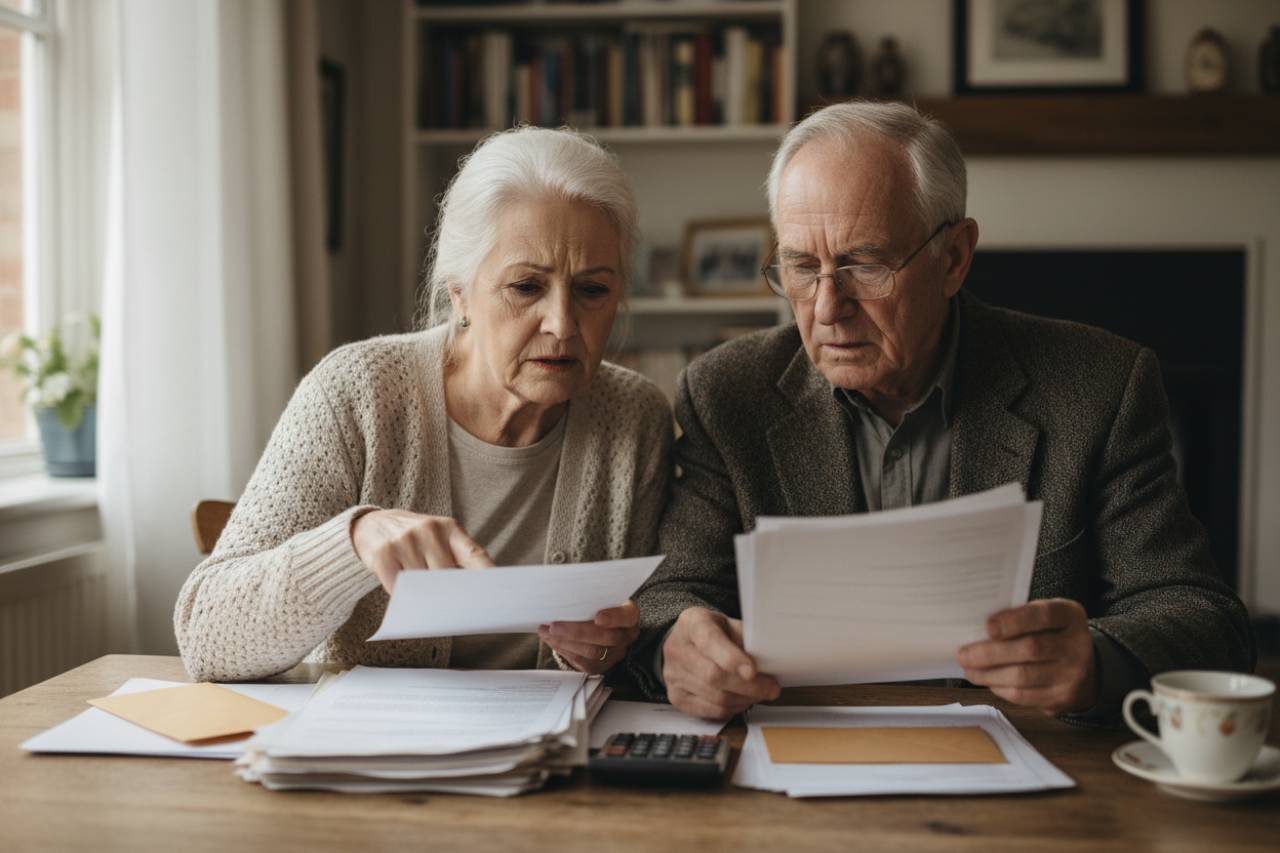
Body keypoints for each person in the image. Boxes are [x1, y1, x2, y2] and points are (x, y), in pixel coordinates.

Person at [627, 101, 1254, 721]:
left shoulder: (1099, 387)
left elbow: (1204, 619)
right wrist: (677, 649)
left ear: (953, 258)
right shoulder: (726, 393)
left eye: (863, 265)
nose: (826, 308)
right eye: (800, 266)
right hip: (800, 750)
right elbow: (672, 596)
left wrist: (1095, 661)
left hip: (1031, 765)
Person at [175, 127, 671, 682]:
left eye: (592, 290)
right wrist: (353, 541)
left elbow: (644, 640)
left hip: (553, 755)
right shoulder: (356, 392)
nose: (561, 322)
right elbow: (206, 637)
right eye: (526, 286)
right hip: (373, 752)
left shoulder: (636, 418)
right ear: (459, 294)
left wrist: (609, 648)